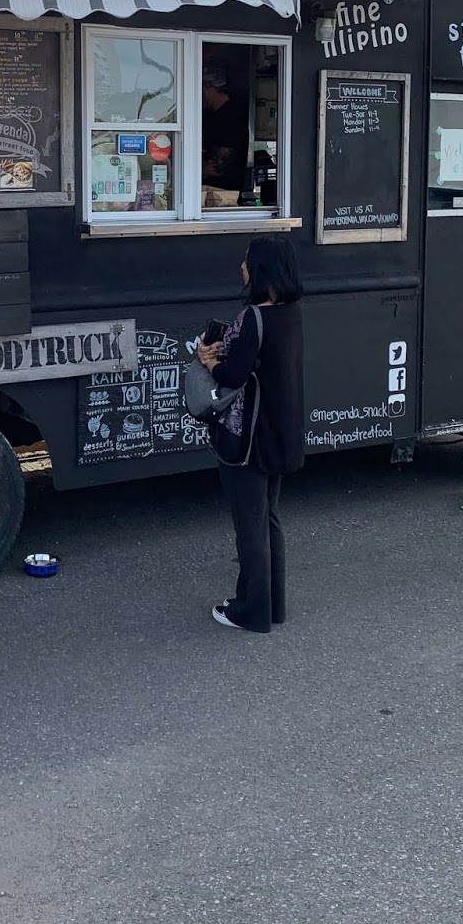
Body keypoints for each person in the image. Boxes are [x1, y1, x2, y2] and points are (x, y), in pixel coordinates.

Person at [196, 236, 304, 632]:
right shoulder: (290, 313)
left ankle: (251, 610)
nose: (241, 266)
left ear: (261, 269)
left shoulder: (251, 317)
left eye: (246, 260)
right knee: (269, 519)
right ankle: (273, 605)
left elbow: (233, 376)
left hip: (248, 440)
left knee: (249, 525)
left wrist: (208, 362)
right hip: (280, 432)